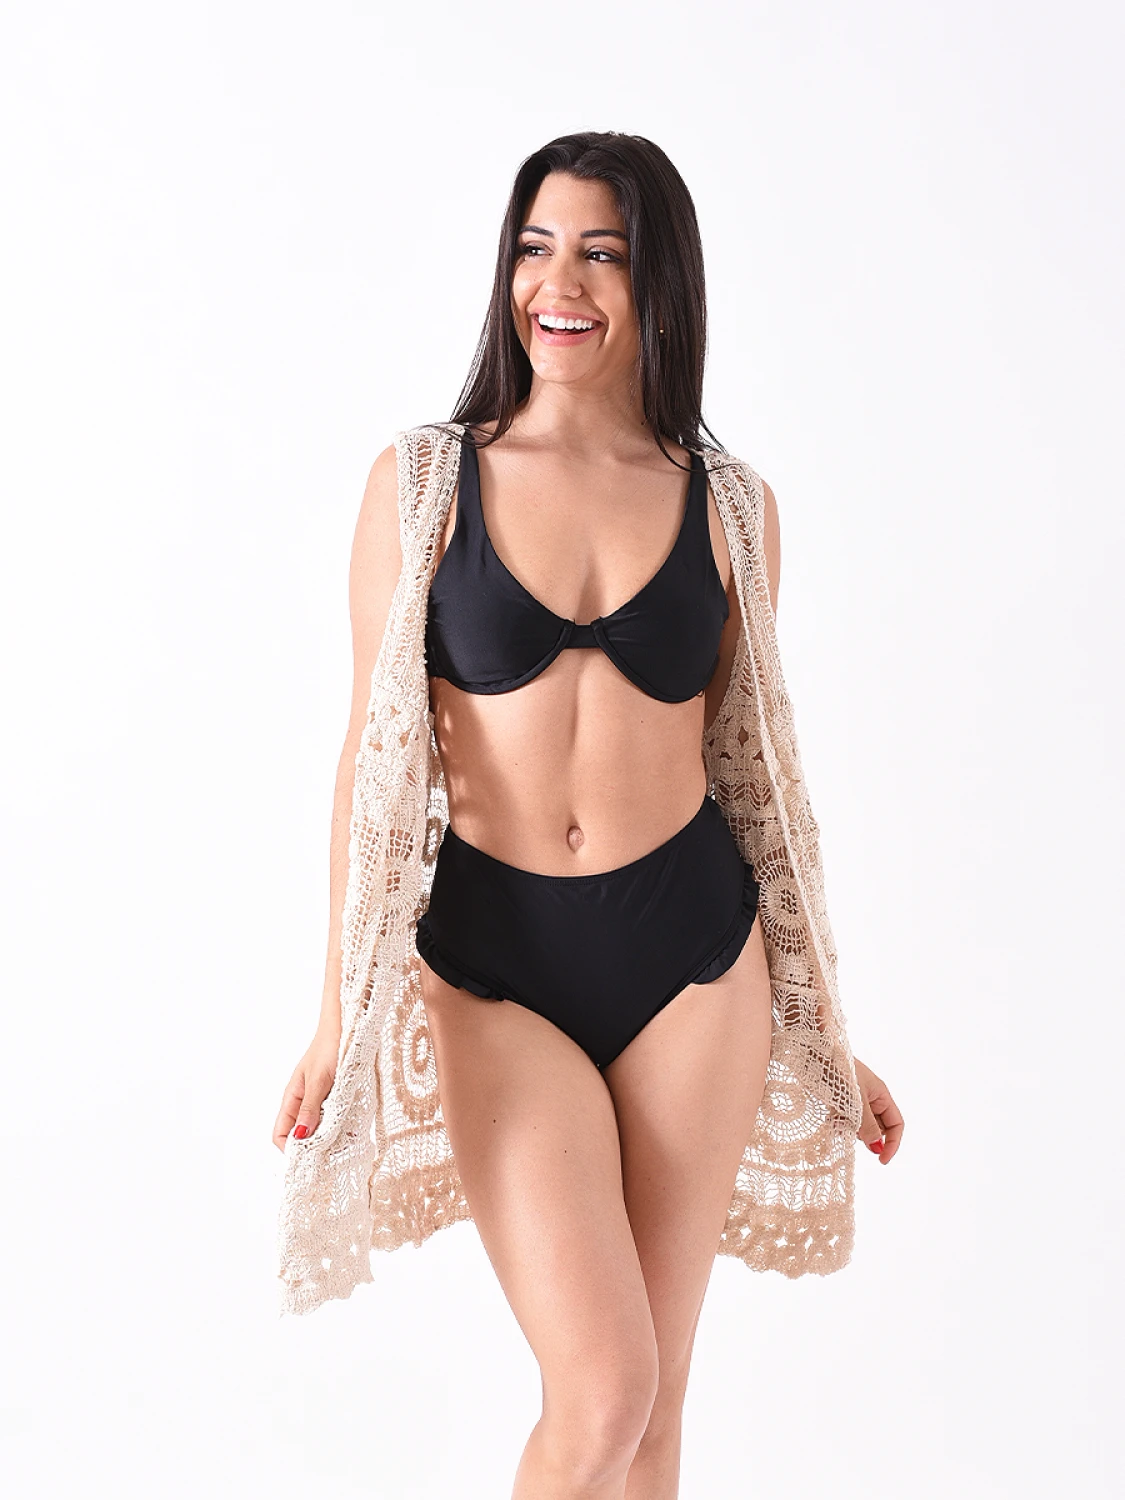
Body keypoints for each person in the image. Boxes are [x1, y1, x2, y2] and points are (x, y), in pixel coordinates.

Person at [273, 131, 904, 1500]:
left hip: (697, 962)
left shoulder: (732, 508)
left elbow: (757, 781)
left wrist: (822, 1030)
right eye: (535, 248)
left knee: (654, 1412)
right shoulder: (424, 483)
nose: (557, 284)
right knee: (603, 1388)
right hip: (498, 966)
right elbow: (369, 765)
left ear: (658, 284)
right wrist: (336, 1013)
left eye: (600, 254)